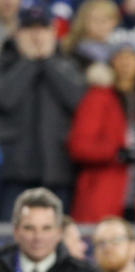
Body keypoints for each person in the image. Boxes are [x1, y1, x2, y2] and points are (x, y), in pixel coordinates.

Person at [68, 39, 135, 223]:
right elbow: (79, 145)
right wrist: (114, 153)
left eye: (131, 57)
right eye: (120, 57)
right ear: (111, 62)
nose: (126, 63)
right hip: (103, 189)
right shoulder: (97, 96)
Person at [0, 3, 86, 219]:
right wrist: (28, 62)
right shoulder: (5, 62)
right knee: (10, 234)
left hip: (58, 168)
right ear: (17, 32)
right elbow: (5, 99)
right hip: (13, 171)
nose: (36, 35)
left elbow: (78, 102)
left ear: (54, 32)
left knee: (56, 233)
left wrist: (47, 61)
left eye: (42, 28)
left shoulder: (70, 62)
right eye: (29, 29)